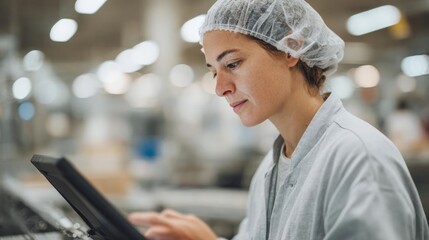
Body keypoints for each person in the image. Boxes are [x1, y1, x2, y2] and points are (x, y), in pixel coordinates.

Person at [128, 0, 429, 239]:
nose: (220, 88)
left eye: (232, 63)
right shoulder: (270, 170)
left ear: (291, 49)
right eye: (213, 71)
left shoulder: (359, 160)